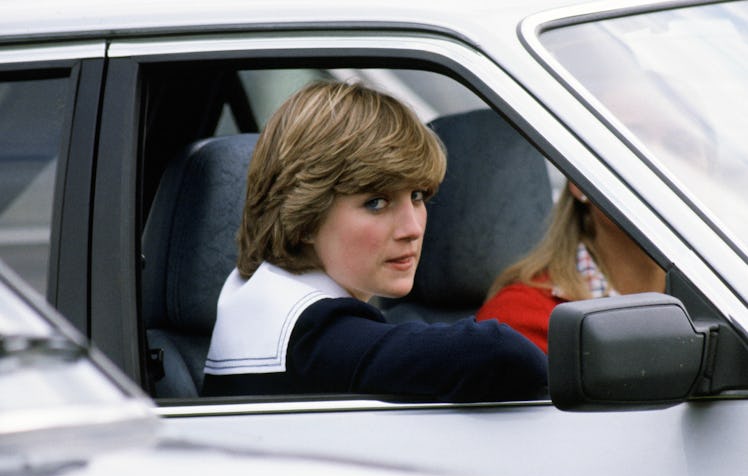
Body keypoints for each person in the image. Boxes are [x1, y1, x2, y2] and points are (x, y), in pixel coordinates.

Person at [203, 80, 547, 402]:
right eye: (376, 203)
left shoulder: (259, 304)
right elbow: (498, 353)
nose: (412, 227)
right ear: (303, 217)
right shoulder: (311, 334)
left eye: (417, 195)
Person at [477, 181, 666, 353]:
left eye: (674, 152)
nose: (661, 181)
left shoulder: (695, 306)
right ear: (580, 185)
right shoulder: (519, 319)